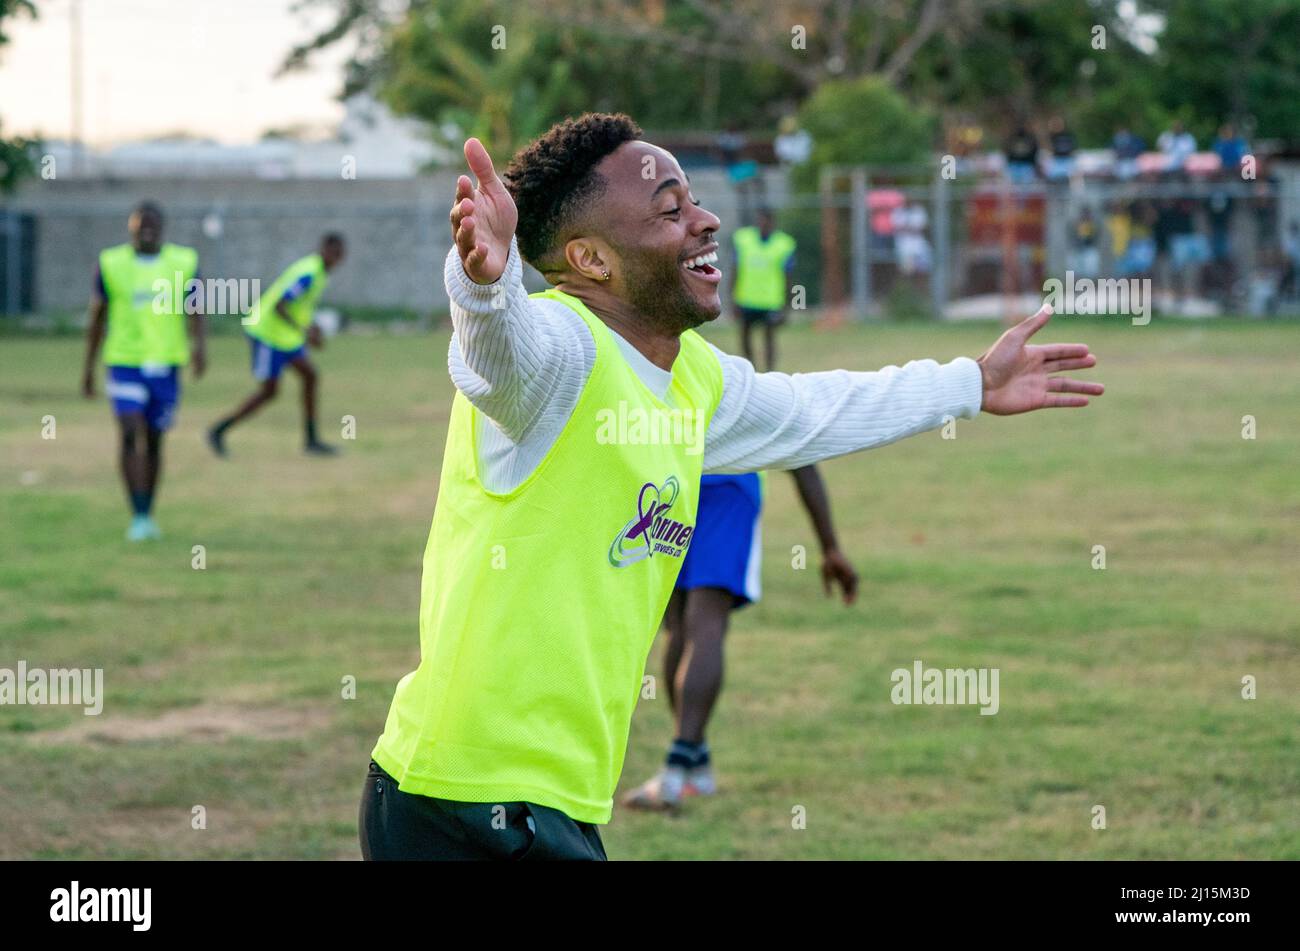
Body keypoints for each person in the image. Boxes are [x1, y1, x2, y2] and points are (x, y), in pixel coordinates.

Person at [359, 113, 1103, 861]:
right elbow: (499, 351)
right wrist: (481, 286)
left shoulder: (692, 376)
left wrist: (971, 381)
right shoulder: (563, 351)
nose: (706, 221)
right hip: (462, 800)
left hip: (545, 800)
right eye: (670, 210)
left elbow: (815, 409)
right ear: (591, 258)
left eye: (695, 201)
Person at [621, 466, 857, 811]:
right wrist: (830, 546)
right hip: (688, 484)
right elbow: (802, 452)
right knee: (686, 625)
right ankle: (692, 764)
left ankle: (678, 768)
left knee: (693, 624)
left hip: (679, 482)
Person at [80, 201, 205, 541]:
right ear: (130, 228)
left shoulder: (183, 261)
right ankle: (136, 514)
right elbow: (97, 317)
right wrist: (88, 368)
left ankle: (147, 511)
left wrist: (199, 348)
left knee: (154, 440)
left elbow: (195, 308)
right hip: (124, 362)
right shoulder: (111, 263)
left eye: (152, 225)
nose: (146, 230)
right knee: (130, 432)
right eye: (140, 225)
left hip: (166, 364)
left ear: (162, 228)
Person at [208, 234, 346, 457]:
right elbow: (280, 306)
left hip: (285, 337)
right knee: (269, 392)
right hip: (267, 335)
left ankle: (311, 440)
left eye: (339, 255)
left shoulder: (320, 274)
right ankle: (218, 430)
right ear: (323, 250)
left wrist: (310, 327)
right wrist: (305, 331)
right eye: (333, 253)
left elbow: (298, 307)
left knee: (310, 376)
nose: (335, 258)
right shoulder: (309, 273)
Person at [732, 209, 796, 371]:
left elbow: (791, 278)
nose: (763, 225)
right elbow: (735, 270)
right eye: (760, 221)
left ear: (773, 223)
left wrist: (791, 305)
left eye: (766, 221)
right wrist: (732, 298)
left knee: (769, 338)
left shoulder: (784, 245)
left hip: (771, 301)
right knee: (745, 336)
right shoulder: (744, 240)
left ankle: (770, 372)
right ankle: (750, 369)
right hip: (746, 298)